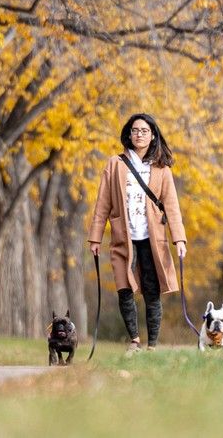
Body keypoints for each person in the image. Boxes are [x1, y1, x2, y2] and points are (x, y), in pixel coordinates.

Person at [88, 113, 187, 354]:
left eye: (144, 130)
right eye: (135, 130)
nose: (139, 134)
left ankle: (152, 345)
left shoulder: (162, 169)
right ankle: (134, 340)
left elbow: (172, 206)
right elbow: (103, 203)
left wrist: (179, 239)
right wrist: (95, 237)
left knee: (152, 290)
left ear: (153, 135)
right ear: (129, 134)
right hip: (124, 237)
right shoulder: (116, 164)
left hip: (152, 239)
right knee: (124, 286)